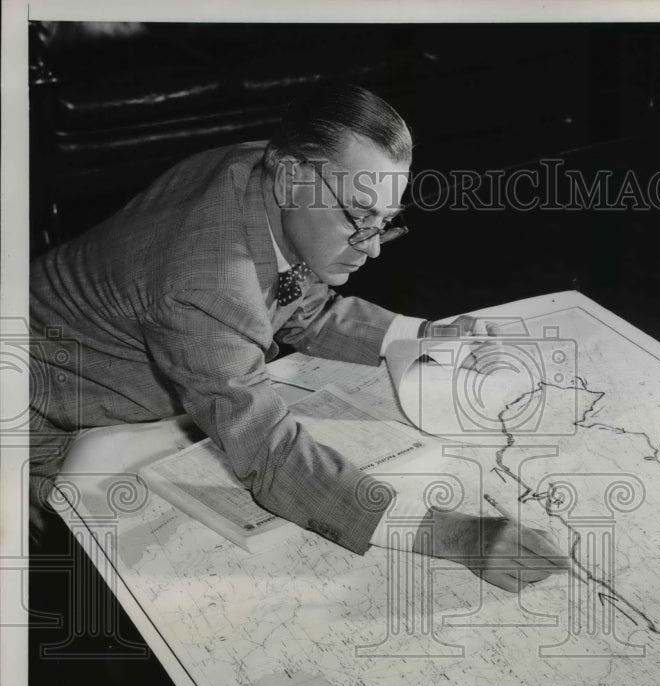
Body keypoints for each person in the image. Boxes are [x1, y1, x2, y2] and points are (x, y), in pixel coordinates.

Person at [29, 83, 568, 592]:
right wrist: (457, 537)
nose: (372, 248)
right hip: (35, 418)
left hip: (120, 388)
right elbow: (271, 455)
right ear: (289, 178)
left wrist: (421, 334)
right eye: (359, 216)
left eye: (386, 221)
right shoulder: (206, 283)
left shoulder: (263, 174)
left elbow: (297, 305)